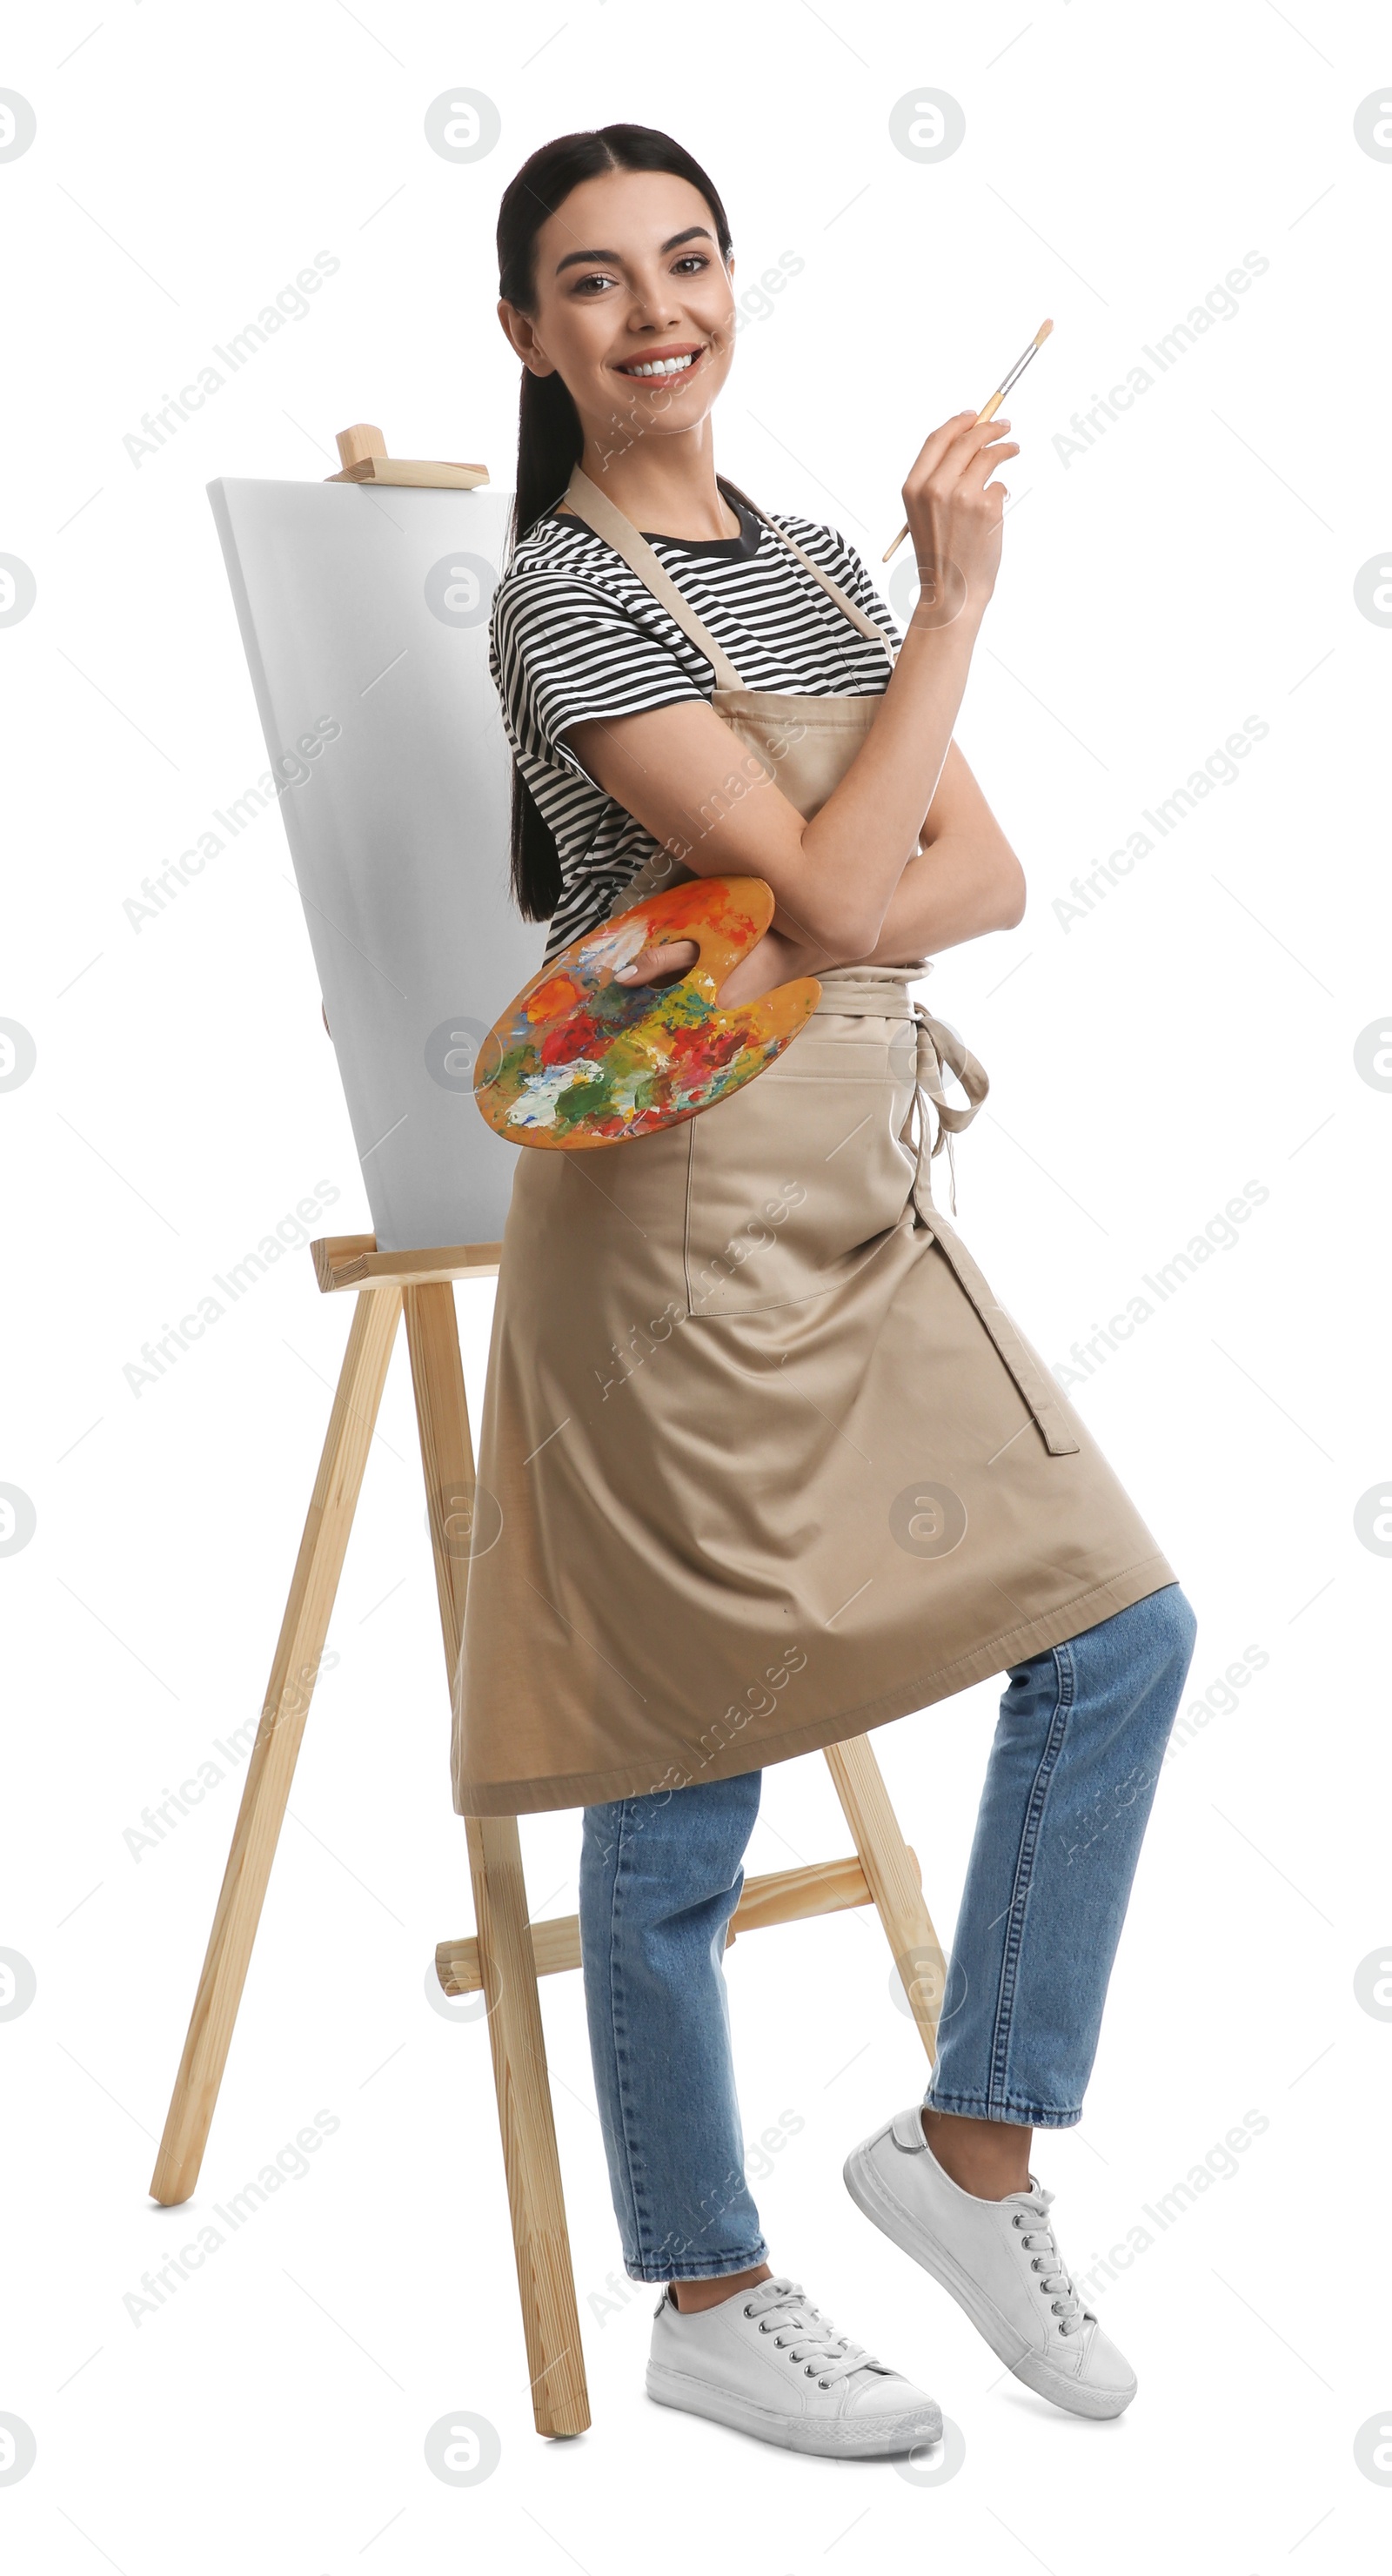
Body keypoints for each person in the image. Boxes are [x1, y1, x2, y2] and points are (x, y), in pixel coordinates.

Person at [452, 121, 1198, 2458]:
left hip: (857, 1208)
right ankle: (705, 2283)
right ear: (530, 335)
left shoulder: (806, 572)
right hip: (663, 1238)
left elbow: (975, 872)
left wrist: (859, 822)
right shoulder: (556, 595)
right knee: (686, 1765)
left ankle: (972, 2154)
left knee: (1120, 1627)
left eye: (687, 260)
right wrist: (958, 620)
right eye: (593, 281)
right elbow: (862, 892)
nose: (654, 308)